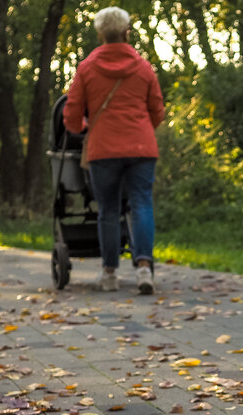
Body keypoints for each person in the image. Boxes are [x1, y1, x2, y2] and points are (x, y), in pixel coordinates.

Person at [62, 6, 165, 295]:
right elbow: (157, 111)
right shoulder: (143, 67)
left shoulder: (87, 68)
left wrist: (84, 127)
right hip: (141, 147)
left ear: (101, 34)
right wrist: (141, 127)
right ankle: (144, 268)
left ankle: (109, 274)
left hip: (103, 148)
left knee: (108, 210)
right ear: (126, 32)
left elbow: (71, 116)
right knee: (141, 204)